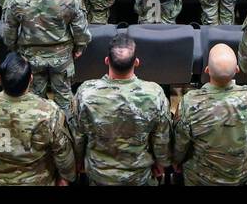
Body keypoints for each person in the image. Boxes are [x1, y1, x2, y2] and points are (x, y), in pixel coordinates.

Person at [70, 32, 172, 185]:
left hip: (98, 174)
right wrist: (162, 163)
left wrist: (77, 162)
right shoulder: (154, 94)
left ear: (106, 61)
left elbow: (78, 137)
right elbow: (161, 138)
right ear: (136, 62)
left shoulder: (85, 93)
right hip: (139, 175)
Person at [0, 53, 75, 186]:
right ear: (31, 79)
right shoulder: (50, 112)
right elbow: (62, 150)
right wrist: (66, 176)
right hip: (39, 181)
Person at [173, 43, 247, 185]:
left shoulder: (190, 102)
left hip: (200, 177)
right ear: (237, 69)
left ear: (207, 70)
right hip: (240, 174)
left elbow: (180, 144)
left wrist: (176, 161)